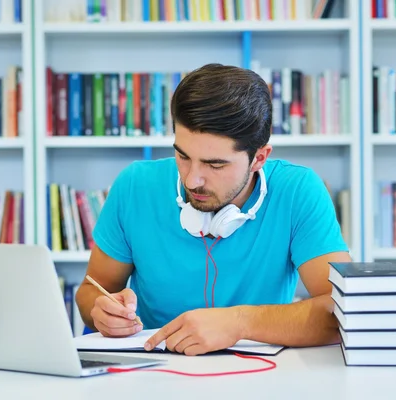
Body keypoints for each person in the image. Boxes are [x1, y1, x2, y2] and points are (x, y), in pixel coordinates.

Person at [74, 63, 351, 356]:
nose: (192, 179)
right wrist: (100, 311)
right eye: (182, 156)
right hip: (152, 372)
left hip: (261, 376)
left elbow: (342, 311)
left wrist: (239, 323)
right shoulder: (135, 186)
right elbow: (90, 292)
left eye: (215, 164)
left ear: (259, 158)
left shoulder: (299, 191)